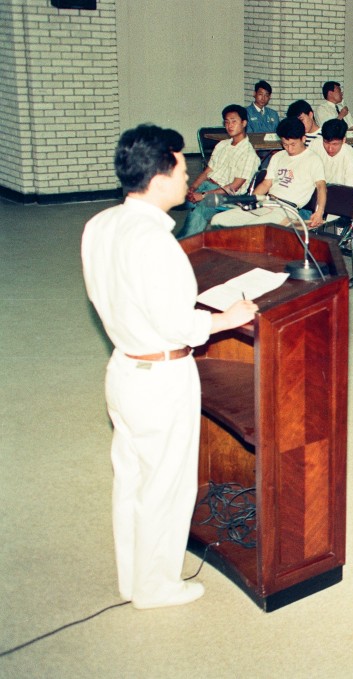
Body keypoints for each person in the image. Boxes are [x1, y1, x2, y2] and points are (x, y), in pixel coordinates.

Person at [81, 124, 258, 609]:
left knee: (133, 478)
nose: (190, 177)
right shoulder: (156, 243)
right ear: (159, 175)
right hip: (162, 375)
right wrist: (228, 318)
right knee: (166, 483)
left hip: (123, 367)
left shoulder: (99, 225)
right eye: (183, 168)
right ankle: (156, 586)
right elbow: (177, 322)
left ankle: (132, 576)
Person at [211, 117, 326, 229]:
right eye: (285, 144)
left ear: (303, 139)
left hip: (287, 210)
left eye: (293, 144)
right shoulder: (278, 156)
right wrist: (251, 201)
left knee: (254, 229)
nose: (289, 149)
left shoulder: (313, 159)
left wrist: (319, 212)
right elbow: (266, 184)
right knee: (218, 220)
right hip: (266, 203)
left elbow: (321, 187)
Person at [179, 104, 259, 239]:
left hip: (227, 196)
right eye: (227, 122)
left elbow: (233, 186)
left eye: (234, 121)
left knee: (201, 208)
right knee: (173, 198)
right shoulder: (222, 145)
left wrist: (202, 196)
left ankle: (182, 246)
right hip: (207, 187)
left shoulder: (249, 154)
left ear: (244, 123)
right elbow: (207, 171)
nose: (230, 125)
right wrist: (193, 188)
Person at [317, 119, 353, 188]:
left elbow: (350, 191)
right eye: (326, 142)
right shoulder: (315, 145)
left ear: (344, 140)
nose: (330, 148)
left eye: (335, 144)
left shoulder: (350, 156)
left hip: (340, 194)